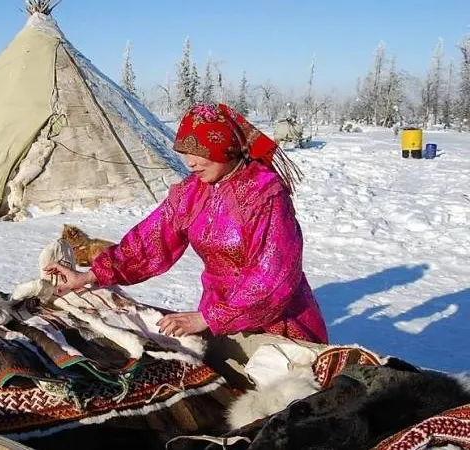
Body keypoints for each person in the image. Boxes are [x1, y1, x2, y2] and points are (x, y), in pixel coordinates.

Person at [46, 103, 328, 344]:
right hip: (214, 315)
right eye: (185, 152)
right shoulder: (192, 193)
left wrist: (209, 317)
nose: (191, 162)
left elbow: (273, 275)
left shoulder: (264, 194)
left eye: (200, 152)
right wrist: (88, 276)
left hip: (276, 321)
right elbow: (149, 242)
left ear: (225, 147)